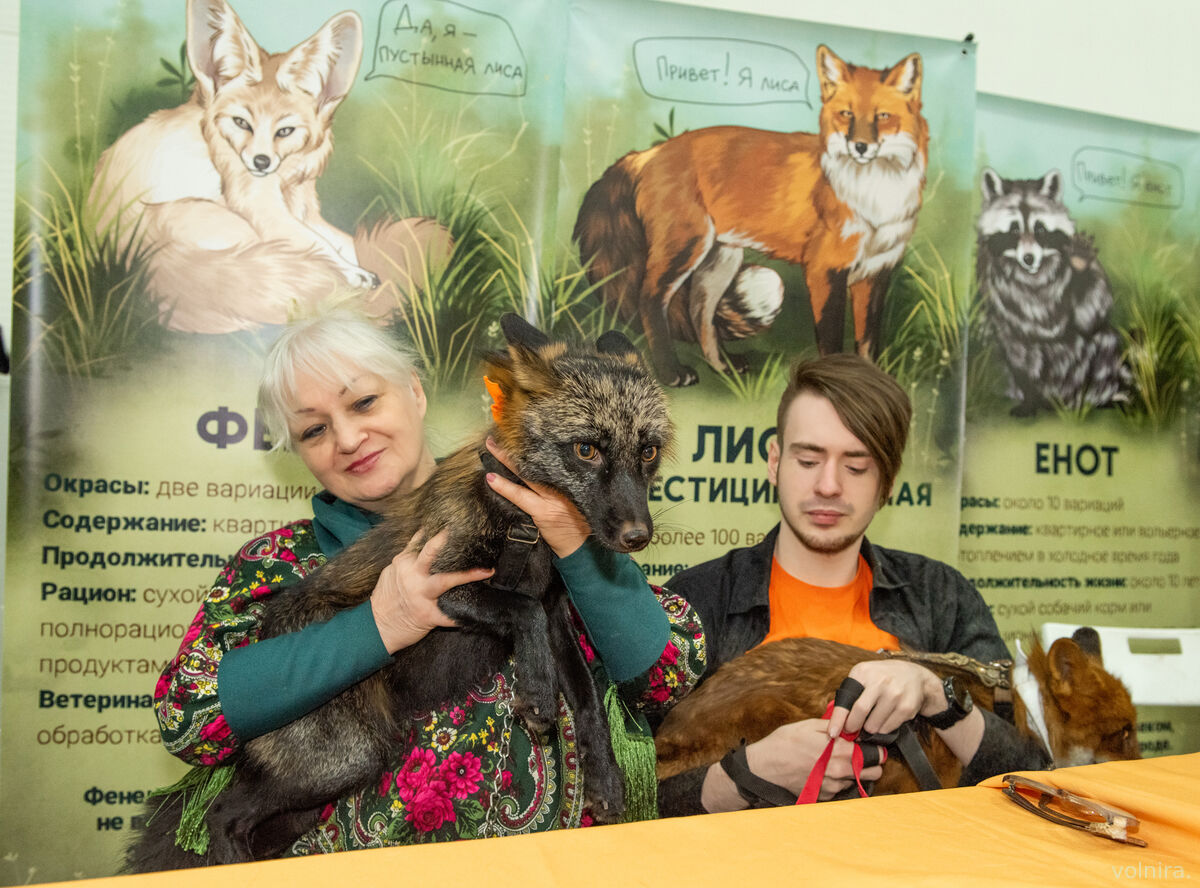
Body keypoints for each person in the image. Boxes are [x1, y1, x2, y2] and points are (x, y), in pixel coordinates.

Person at [153, 311, 705, 852]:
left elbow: (668, 676)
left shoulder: (560, 514)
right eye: (314, 429)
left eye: (364, 402)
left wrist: (575, 545)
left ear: (415, 393)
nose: (349, 437)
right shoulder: (278, 562)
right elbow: (189, 715)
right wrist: (378, 626)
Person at [658, 354, 1050, 815]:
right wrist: (742, 775)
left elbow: (1032, 776)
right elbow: (625, 793)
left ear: (888, 481)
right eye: (808, 460)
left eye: (857, 467)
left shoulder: (941, 597)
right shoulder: (695, 603)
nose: (828, 485)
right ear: (775, 462)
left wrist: (936, 695)